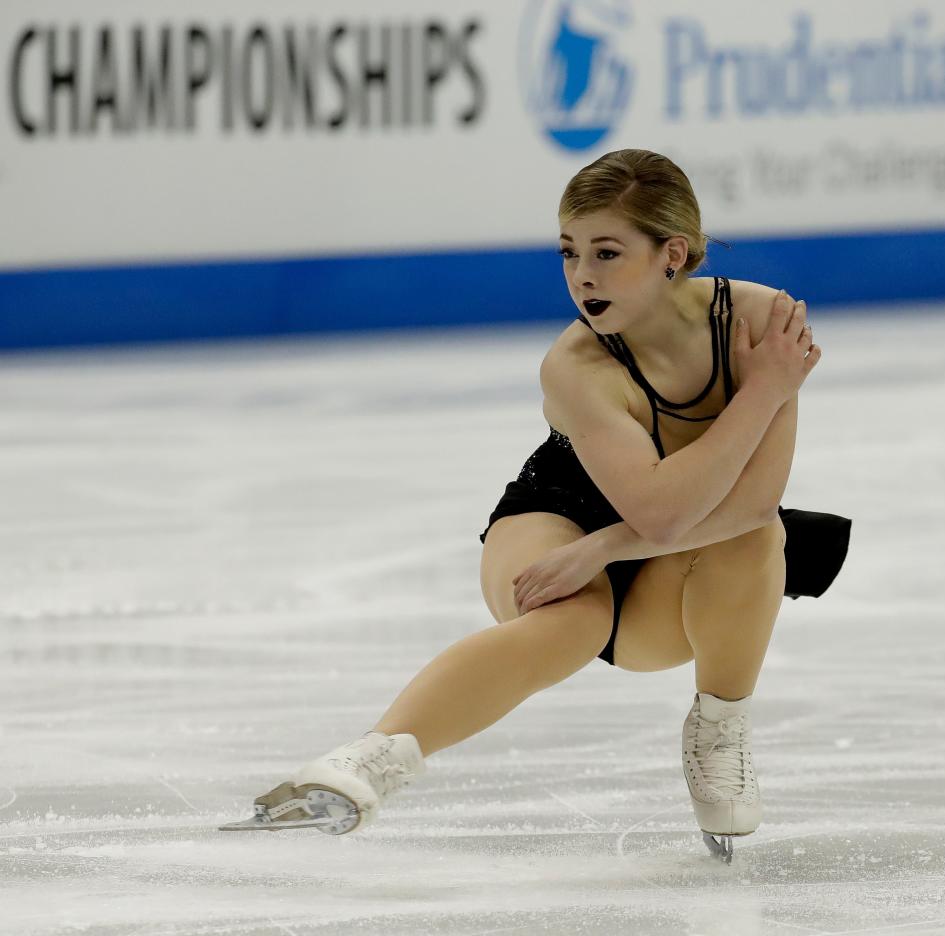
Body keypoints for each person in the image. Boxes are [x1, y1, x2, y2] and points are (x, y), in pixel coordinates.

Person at [220, 149, 851, 862]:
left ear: (672, 253)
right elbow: (660, 511)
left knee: (759, 537)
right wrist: (762, 393)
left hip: (671, 557)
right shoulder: (575, 366)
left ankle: (718, 727)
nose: (582, 274)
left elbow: (751, 504)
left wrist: (612, 544)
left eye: (608, 252)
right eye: (569, 252)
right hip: (558, 511)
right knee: (573, 617)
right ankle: (371, 761)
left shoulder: (761, 321)